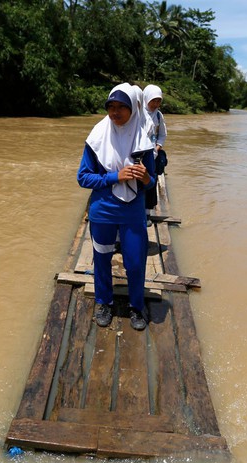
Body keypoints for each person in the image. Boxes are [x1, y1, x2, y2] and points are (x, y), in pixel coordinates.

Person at [77, 83, 156, 331]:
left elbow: (152, 180)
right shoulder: (96, 138)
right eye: (111, 106)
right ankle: (104, 302)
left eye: (122, 106)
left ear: (134, 109)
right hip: (103, 209)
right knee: (101, 259)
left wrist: (144, 178)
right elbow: (83, 177)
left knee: (134, 261)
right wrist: (115, 177)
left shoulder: (143, 141)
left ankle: (136, 305)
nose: (115, 112)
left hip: (133, 211)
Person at [143, 85, 168, 217]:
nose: (156, 104)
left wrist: (157, 148)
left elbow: (162, 135)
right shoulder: (138, 113)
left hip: (153, 154)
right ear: (146, 98)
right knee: (136, 181)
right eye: (153, 100)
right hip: (138, 154)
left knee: (150, 181)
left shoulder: (158, 115)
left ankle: (147, 212)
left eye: (159, 101)